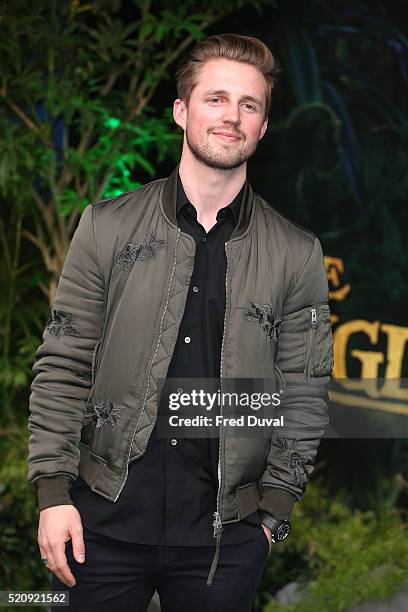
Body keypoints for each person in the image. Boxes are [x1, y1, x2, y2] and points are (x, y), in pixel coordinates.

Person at [27, 33, 333, 612]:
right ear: (181, 111)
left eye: (250, 105)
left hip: (226, 538)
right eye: (216, 98)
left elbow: (305, 391)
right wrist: (51, 494)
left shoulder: (296, 253)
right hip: (100, 521)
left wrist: (273, 514)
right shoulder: (106, 227)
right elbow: (63, 362)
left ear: (264, 126)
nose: (232, 117)